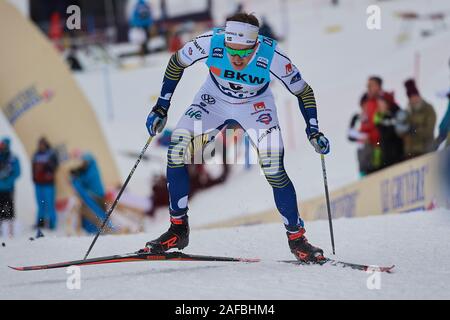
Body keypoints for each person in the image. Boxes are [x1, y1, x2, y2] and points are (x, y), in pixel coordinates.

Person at [143, 13, 330, 263]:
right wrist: (161, 106)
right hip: (213, 100)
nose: (237, 59)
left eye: (244, 53)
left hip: (255, 106)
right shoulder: (210, 42)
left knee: (274, 169)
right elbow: (176, 63)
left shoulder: (272, 57)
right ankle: (178, 229)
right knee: (177, 149)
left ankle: (298, 239)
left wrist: (313, 129)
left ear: (256, 44)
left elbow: (303, 92)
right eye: (232, 51)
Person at [70, 151, 110, 234]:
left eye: (85, 162)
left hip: (97, 196)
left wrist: (77, 175)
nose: (84, 164)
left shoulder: (92, 169)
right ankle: (97, 229)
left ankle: (102, 229)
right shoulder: (89, 168)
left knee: (98, 213)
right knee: (96, 213)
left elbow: (87, 179)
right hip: (94, 195)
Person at [402, 79, 436, 159]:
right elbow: (402, 132)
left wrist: (415, 129)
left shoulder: (428, 109)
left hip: (426, 150)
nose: (414, 98)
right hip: (410, 153)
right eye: (411, 97)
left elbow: (429, 130)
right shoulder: (407, 112)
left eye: (415, 95)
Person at [32, 137, 59, 230]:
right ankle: (40, 222)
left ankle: (52, 223)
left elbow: (55, 166)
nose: (41, 146)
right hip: (39, 183)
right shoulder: (36, 154)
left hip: (48, 184)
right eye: (40, 144)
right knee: (40, 203)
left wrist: (46, 167)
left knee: (49, 203)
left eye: (42, 144)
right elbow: (33, 167)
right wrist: (34, 178)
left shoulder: (51, 154)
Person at [373, 97, 404, 168]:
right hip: (385, 153)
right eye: (379, 105)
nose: (381, 107)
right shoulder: (378, 119)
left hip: (397, 151)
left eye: (382, 104)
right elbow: (383, 136)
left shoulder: (393, 115)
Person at [0, 138, 20, 238]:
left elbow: (17, 172)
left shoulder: (12, 158)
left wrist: (8, 181)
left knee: (8, 209)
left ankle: (10, 232)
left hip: (8, 189)